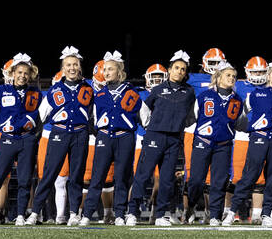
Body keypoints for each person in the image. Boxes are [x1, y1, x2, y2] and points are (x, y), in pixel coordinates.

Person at [28, 46, 93, 224]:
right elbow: (40, 116)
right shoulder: (54, 90)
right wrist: (30, 136)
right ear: (63, 69)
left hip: (80, 134)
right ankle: (35, 213)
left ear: (79, 67)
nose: (72, 68)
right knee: (49, 174)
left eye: (75, 65)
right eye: (68, 65)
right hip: (59, 134)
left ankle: (73, 213)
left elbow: (93, 114)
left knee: (76, 175)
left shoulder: (88, 89)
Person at [81, 52, 146, 227]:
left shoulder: (132, 93)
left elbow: (146, 118)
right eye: (105, 69)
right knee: (97, 177)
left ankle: (119, 214)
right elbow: (92, 120)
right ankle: (87, 214)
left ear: (119, 72)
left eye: (110, 69)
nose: (106, 72)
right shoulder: (99, 94)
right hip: (104, 137)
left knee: (122, 178)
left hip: (125, 138)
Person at [0, 54, 41, 226]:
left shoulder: (35, 93)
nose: (22, 76)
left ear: (30, 75)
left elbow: (38, 116)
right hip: (8, 139)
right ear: (12, 73)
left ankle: (20, 215)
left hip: (26, 140)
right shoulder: (2, 91)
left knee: (24, 179)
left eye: (26, 73)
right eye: (19, 72)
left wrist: (28, 125)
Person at [134, 51, 194, 226]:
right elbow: (144, 109)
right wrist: (149, 126)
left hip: (174, 139)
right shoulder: (158, 89)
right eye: (176, 68)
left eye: (183, 69)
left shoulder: (189, 92)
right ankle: (131, 212)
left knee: (167, 179)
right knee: (143, 175)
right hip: (155, 136)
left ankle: (160, 215)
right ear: (170, 70)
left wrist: (179, 126)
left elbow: (191, 115)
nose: (179, 71)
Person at [228, 62, 272, 226]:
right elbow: (240, 115)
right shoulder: (255, 94)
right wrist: (248, 128)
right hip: (259, 137)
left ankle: (267, 214)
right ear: (268, 75)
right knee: (249, 175)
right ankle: (231, 211)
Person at [188, 61, 244, 225]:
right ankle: (190, 206)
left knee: (219, 182)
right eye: (228, 75)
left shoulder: (237, 100)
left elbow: (240, 123)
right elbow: (191, 117)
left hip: (224, 144)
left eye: (234, 76)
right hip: (203, 142)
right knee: (196, 180)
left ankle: (214, 215)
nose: (232, 78)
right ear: (218, 77)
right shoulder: (204, 96)